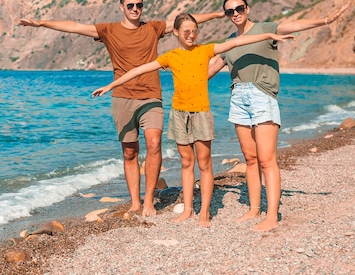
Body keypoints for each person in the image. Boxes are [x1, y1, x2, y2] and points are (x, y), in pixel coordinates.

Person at [19, 0, 224, 216]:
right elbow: (75, 27)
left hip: (151, 95)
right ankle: (135, 202)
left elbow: (186, 22)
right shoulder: (109, 30)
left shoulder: (152, 28)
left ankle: (148, 202)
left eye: (139, 5)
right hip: (122, 97)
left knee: (154, 142)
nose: (135, 9)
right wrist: (40, 23)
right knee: (129, 152)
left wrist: (216, 15)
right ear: (121, 7)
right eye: (130, 6)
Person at [92, 13, 293, 226]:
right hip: (179, 114)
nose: (191, 35)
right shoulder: (170, 57)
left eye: (194, 31)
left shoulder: (205, 50)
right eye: (186, 31)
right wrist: (111, 86)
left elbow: (237, 41)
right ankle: (188, 209)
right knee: (186, 163)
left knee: (204, 164)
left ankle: (204, 213)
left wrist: (268, 34)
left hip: (201, 114)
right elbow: (139, 70)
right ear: (176, 32)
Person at [208, 0, 349, 231]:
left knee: (266, 159)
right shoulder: (230, 43)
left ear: (248, 8)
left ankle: (272, 216)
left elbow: (294, 25)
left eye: (239, 8)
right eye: (230, 11)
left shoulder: (265, 29)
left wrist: (325, 20)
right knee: (250, 159)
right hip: (238, 98)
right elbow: (206, 72)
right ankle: (254, 209)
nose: (235, 14)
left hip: (262, 95)